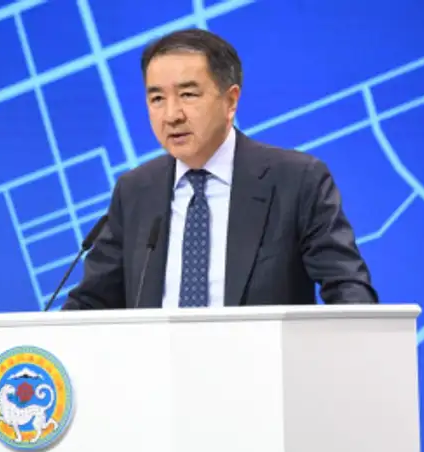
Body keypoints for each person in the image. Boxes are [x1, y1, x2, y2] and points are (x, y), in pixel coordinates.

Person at [62, 29, 378, 310]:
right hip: (156, 360)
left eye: (188, 95)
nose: (171, 115)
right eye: (157, 98)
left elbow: (348, 288)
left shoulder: (297, 180)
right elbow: (91, 302)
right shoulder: (135, 190)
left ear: (231, 101)